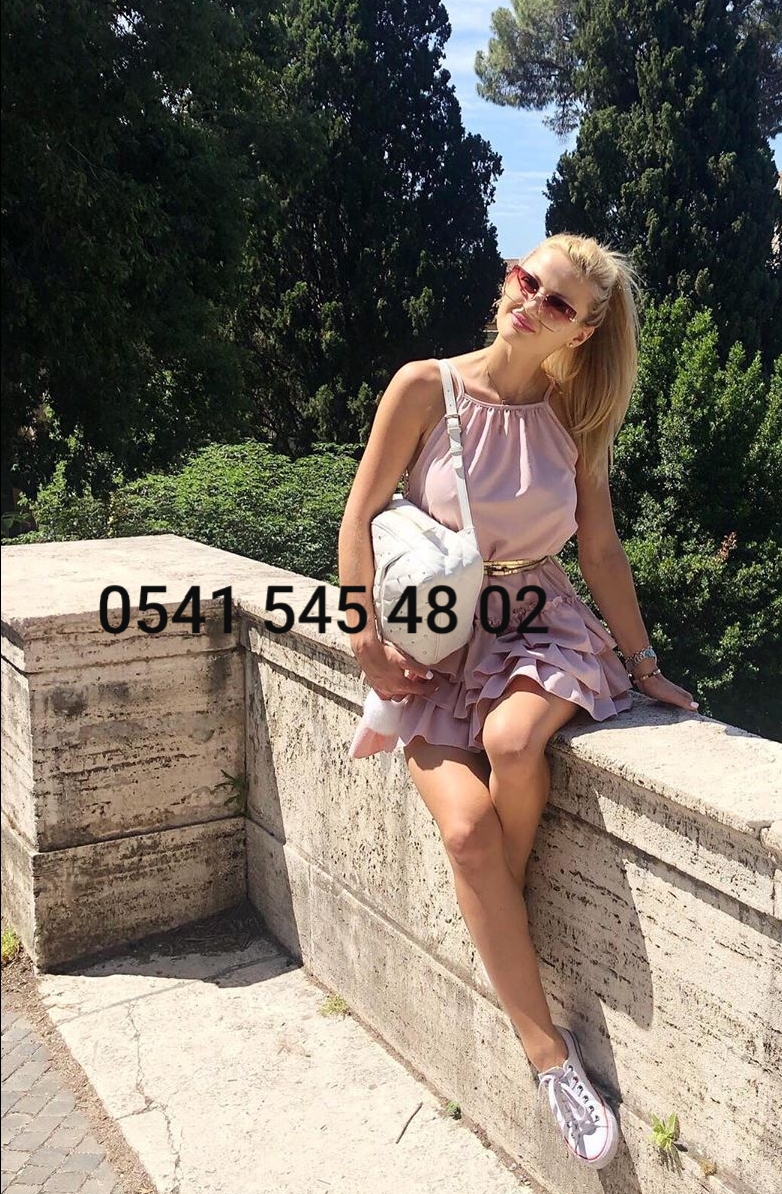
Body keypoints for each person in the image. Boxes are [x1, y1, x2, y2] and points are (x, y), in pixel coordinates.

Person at [336, 232, 699, 1170]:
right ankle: (548, 1048)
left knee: (512, 741)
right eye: (525, 279)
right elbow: (360, 512)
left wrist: (644, 663)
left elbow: (601, 550)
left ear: (582, 333)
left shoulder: (574, 419)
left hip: (542, 626)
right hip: (435, 642)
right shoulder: (425, 387)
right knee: (465, 833)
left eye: (556, 302)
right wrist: (362, 634)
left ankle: (521, 987)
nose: (528, 301)